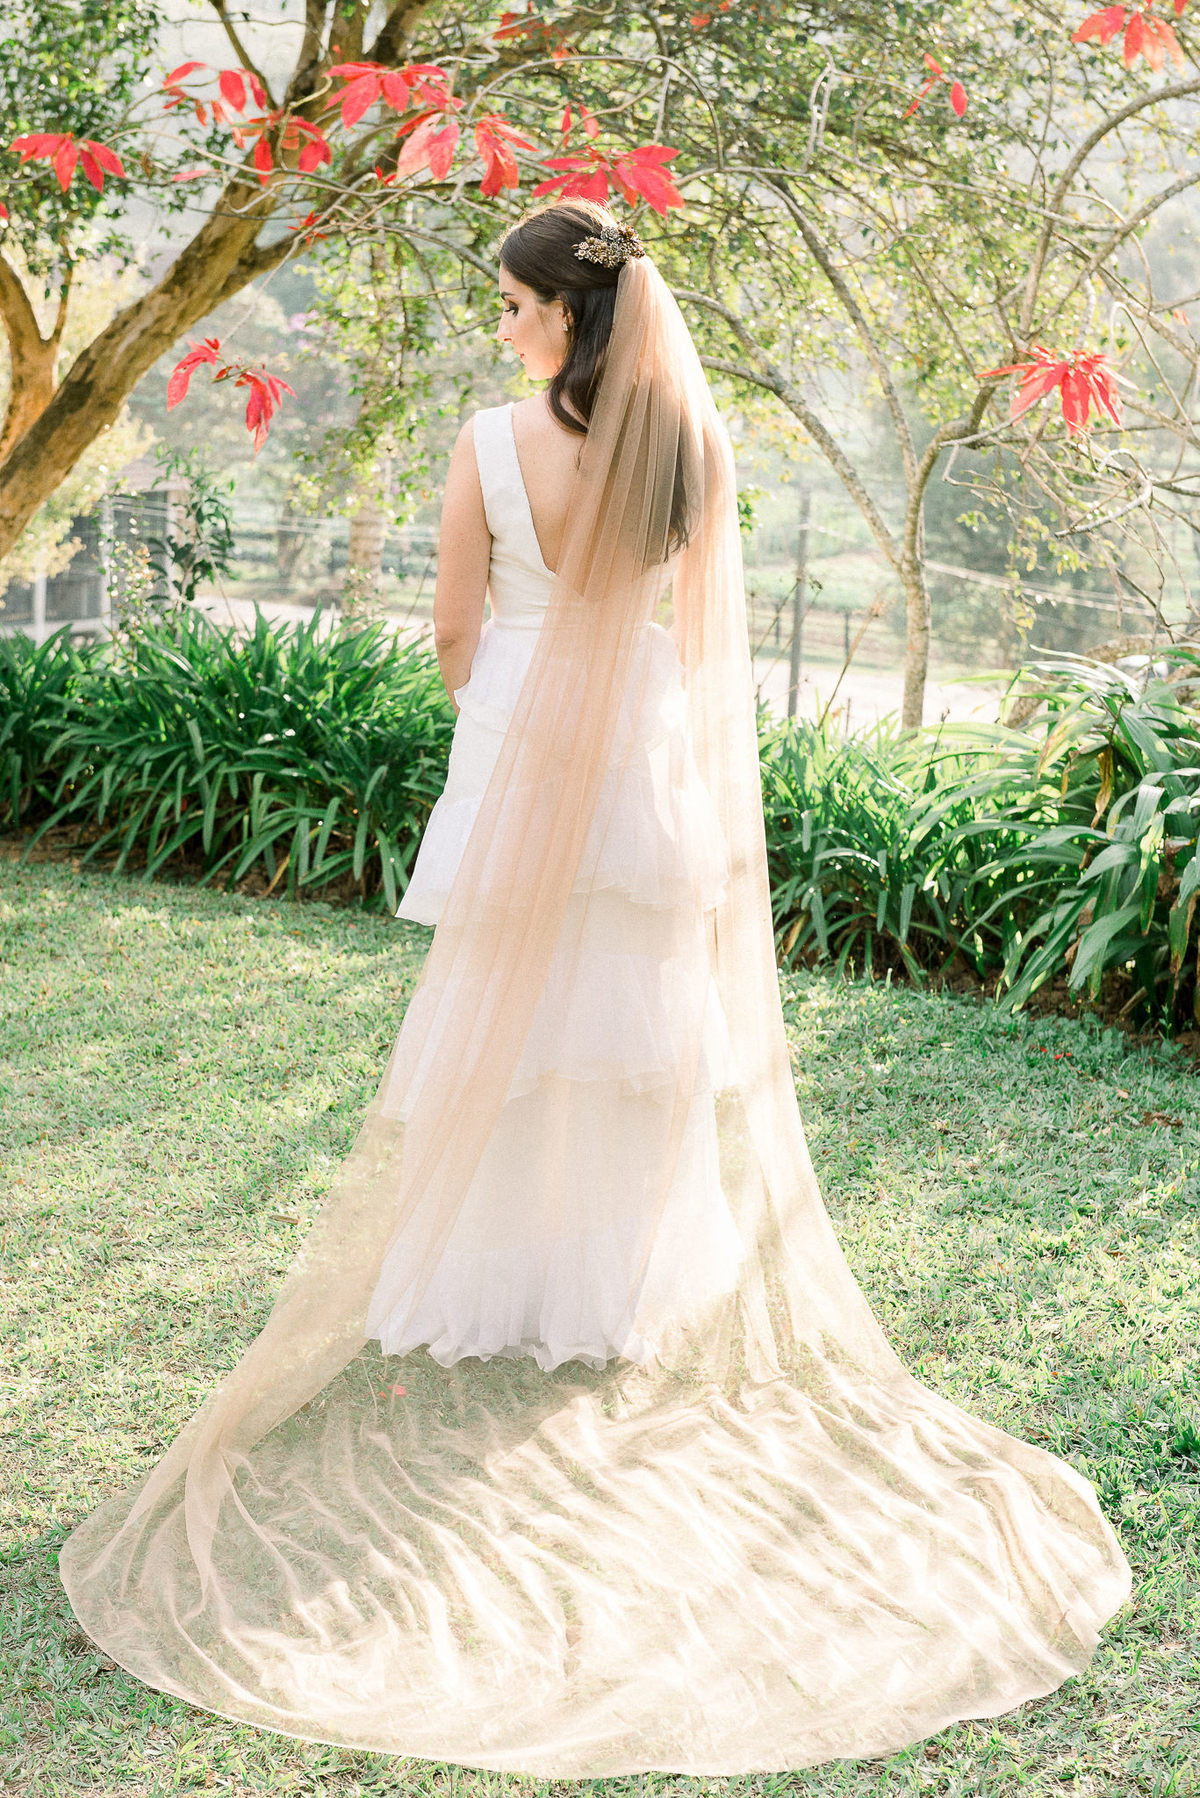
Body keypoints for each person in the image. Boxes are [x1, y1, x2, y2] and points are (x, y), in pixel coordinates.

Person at [59, 198, 1132, 1778]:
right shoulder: (688, 447)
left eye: (512, 302)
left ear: (566, 312)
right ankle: (618, 1290)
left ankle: (483, 1283)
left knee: (505, 1030)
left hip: (516, 754)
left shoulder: (490, 446)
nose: (500, 324)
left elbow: (451, 627)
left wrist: (508, 711)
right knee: (633, 1038)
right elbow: (700, 646)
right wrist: (619, 720)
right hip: (641, 760)